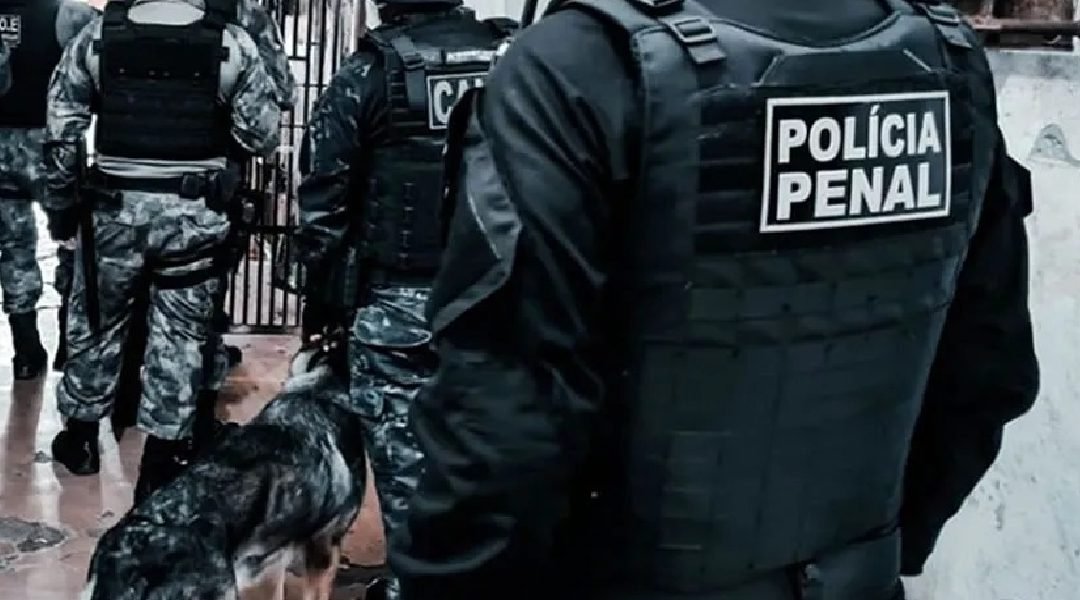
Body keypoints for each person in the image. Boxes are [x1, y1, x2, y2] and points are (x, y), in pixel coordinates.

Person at [389, 1, 1041, 599]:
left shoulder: (580, 63)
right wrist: (872, 551)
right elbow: (989, 368)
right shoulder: (946, 58)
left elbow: (504, 423)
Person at [296, 1, 515, 597]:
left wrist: (324, 306)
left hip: (400, 312)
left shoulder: (371, 72)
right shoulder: (512, 57)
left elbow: (323, 204)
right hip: (500, 306)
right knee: (491, 465)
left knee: (408, 473)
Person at [43, 0, 281, 504]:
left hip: (113, 212)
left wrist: (62, 204)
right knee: (181, 334)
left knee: (97, 321)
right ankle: (162, 456)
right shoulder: (229, 41)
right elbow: (262, 136)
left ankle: (81, 438)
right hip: (193, 216)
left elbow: (62, 132)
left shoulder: (99, 36)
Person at [0, 0, 97, 380]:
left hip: (1, 147)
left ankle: (26, 351)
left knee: (13, 248)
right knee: (72, 242)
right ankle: (69, 348)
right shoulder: (68, 14)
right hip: (52, 144)